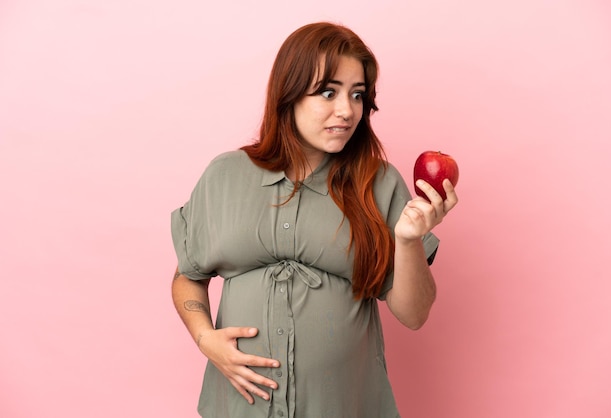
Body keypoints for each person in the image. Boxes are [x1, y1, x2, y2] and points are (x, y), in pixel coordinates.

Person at [170, 21, 458, 418]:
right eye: (328, 92)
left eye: (357, 95)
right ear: (289, 94)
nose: (347, 111)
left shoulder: (380, 184)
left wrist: (408, 241)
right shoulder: (225, 175)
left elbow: (414, 315)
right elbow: (188, 274)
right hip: (239, 409)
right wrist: (205, 339)